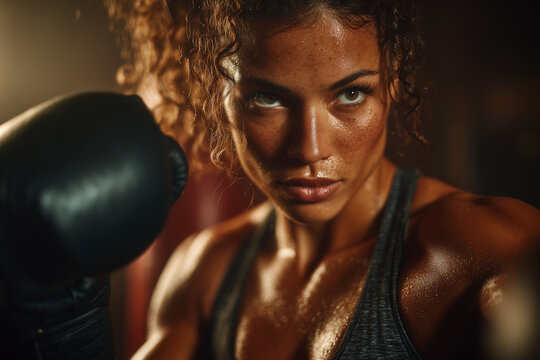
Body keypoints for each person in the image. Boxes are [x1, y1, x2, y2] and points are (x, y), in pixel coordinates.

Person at [106, 1, 540, 359]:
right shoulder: (203, 273)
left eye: (350, 94)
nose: (310, 150)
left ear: (391, 78)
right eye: (267, 98)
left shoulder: (477, 248)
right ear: (220, 96)